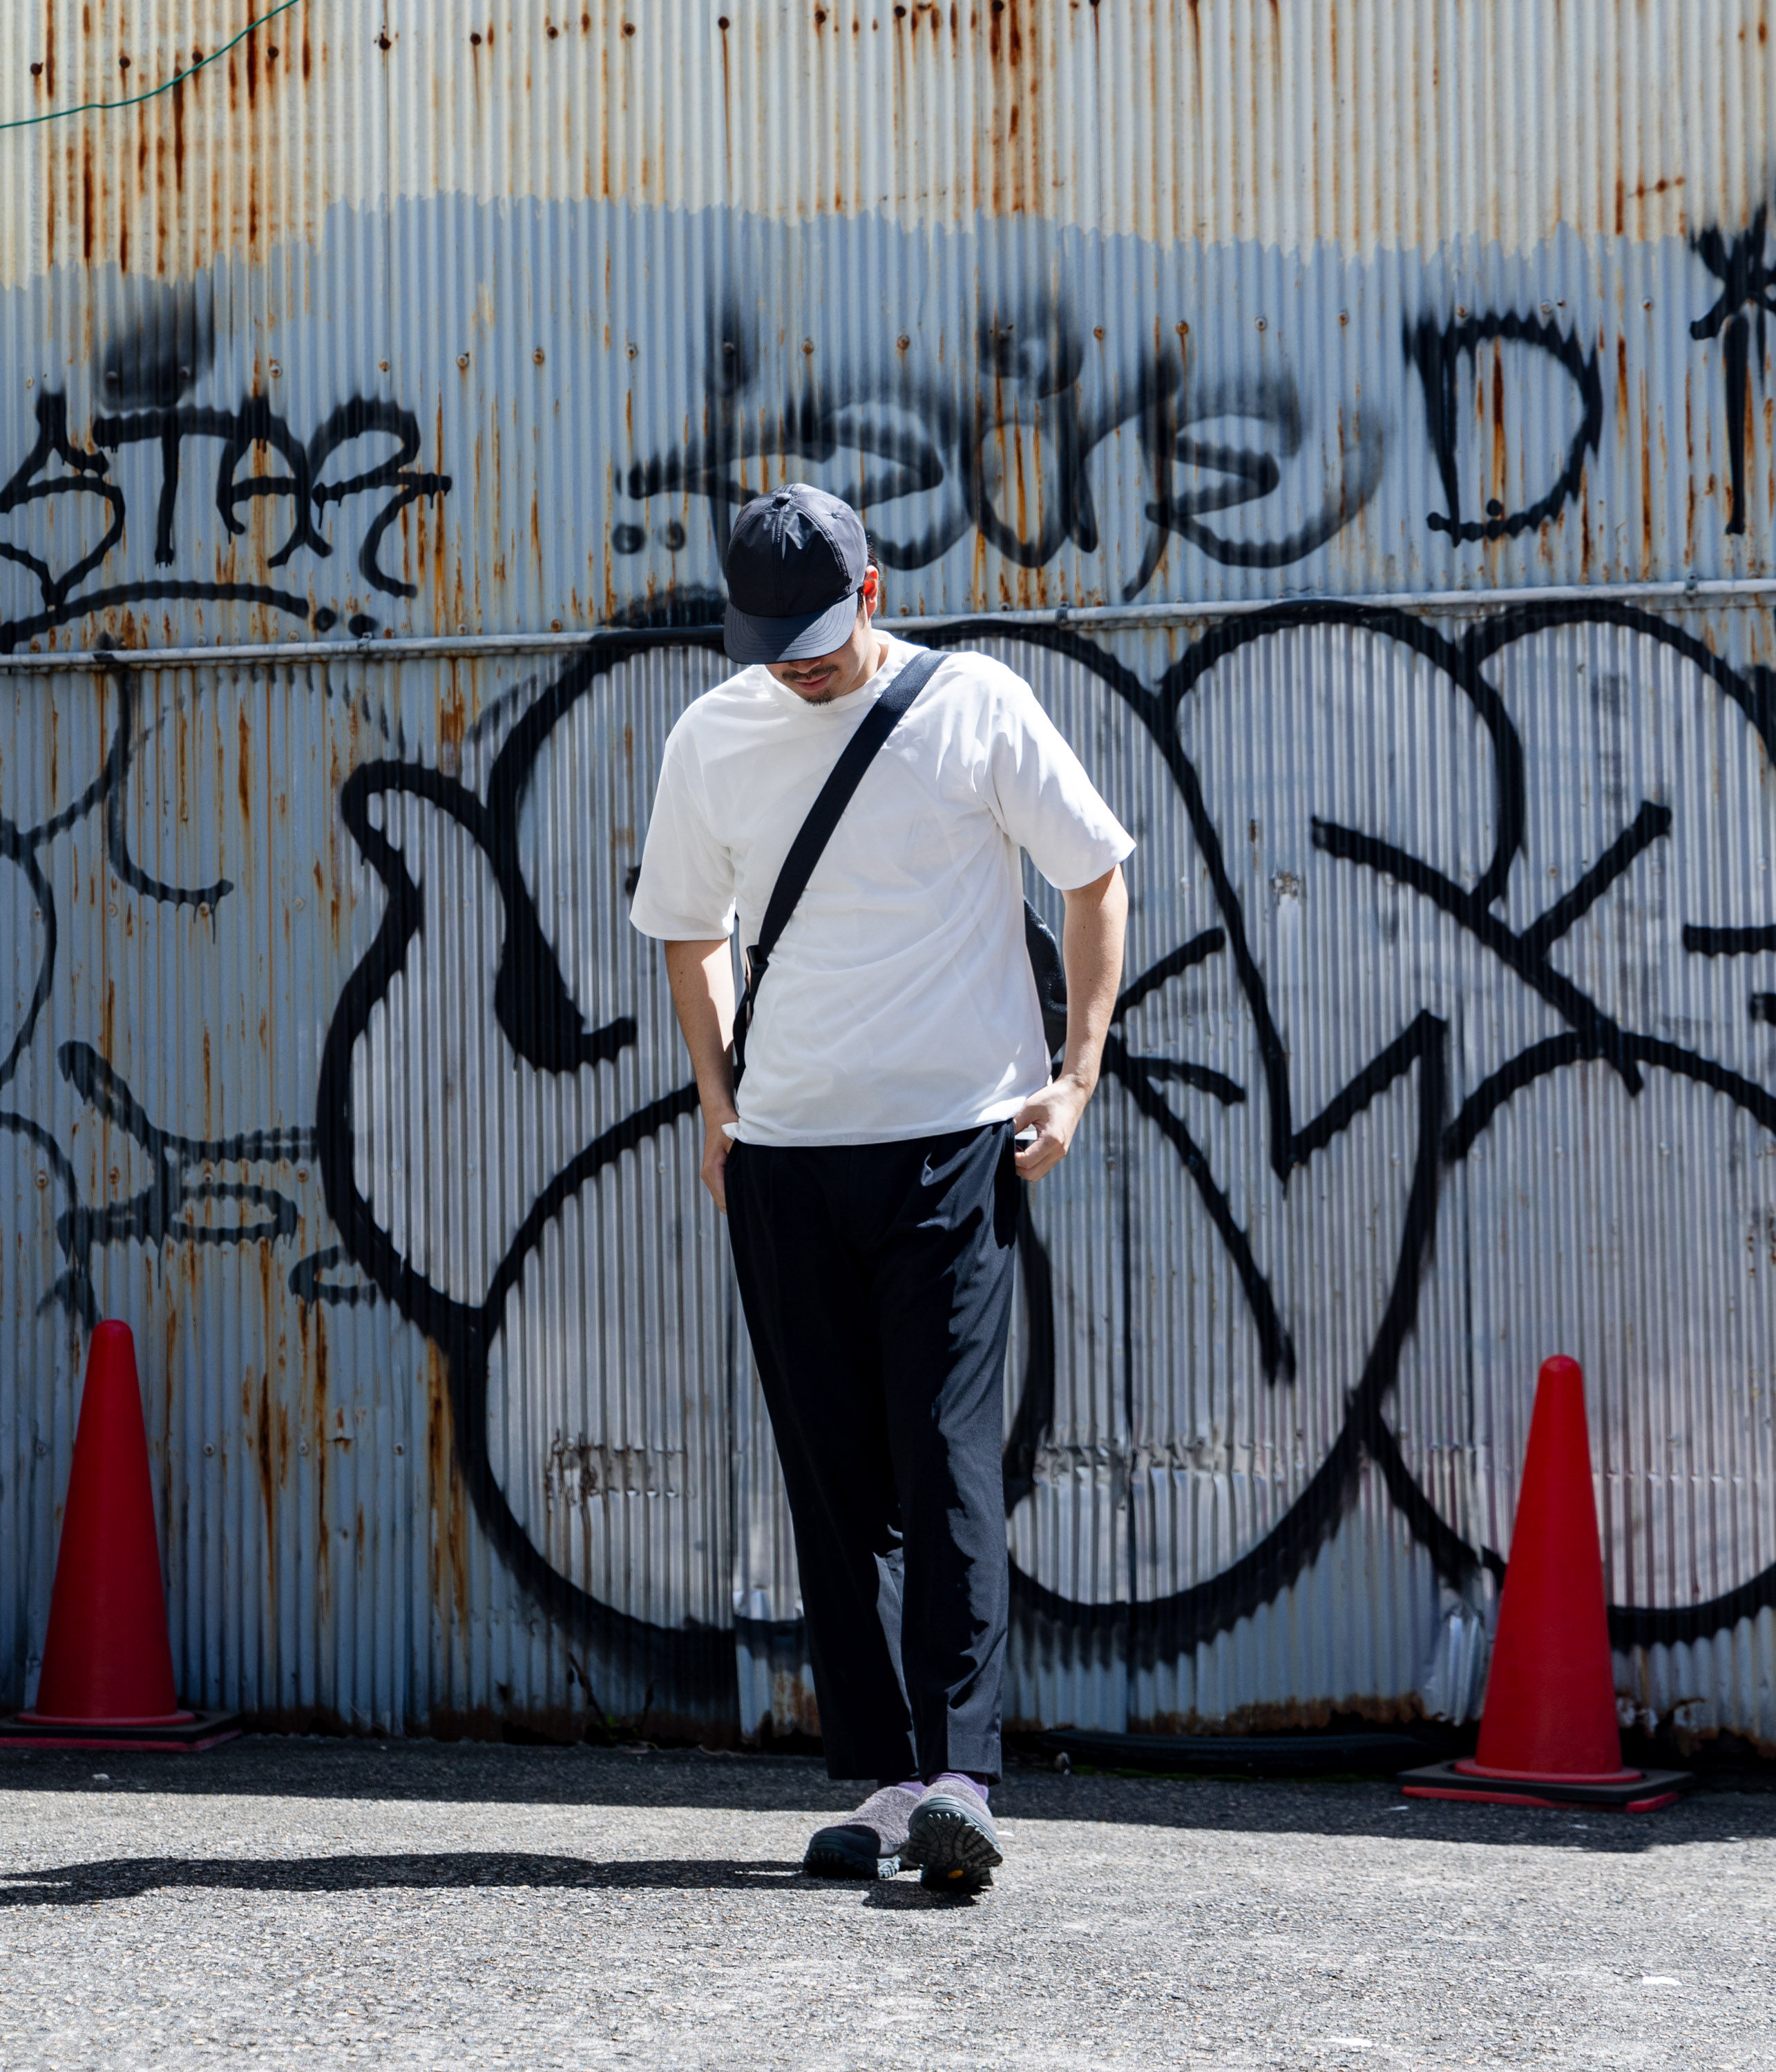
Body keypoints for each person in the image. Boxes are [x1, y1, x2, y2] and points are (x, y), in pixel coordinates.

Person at [630, 485, 1131, 1893]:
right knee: (833, 1482)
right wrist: (719, 1105)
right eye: (767, 647)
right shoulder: (712, 735)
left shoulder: (974, 706)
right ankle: (890, 1780)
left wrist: (1075, 1078)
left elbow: (1095, 875)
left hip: (951, 1145)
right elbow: (688, 930)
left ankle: (961, 1776)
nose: (793, 670)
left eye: (815, 641)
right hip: (786, 1158)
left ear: (871, 595)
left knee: (944, 1457)